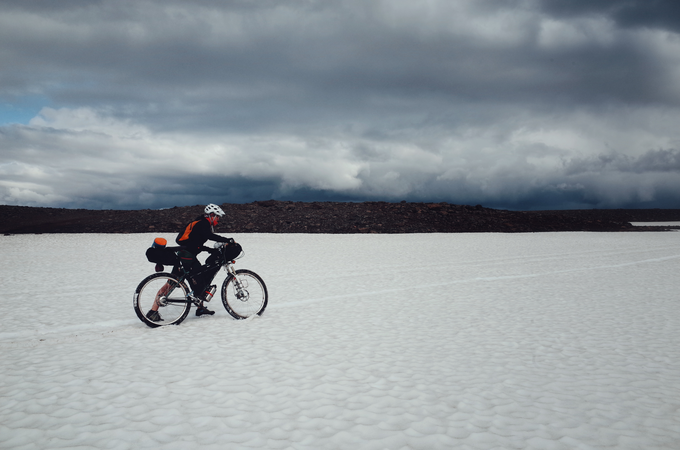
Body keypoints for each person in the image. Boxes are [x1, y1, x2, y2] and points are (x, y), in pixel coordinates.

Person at [146, 203, 233, 321]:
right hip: (186, 257)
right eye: (217, 217)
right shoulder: (203, 224)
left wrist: (210, 250)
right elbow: (210, 236)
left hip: (188, 255)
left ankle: (200, 307)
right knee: (173, 283)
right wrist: (227, 240)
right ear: (212, 215)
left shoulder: (200, 224)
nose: (218, 220)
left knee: (200, 279)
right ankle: (153, 311)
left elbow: (195, 245)